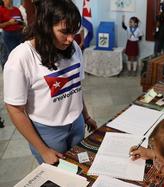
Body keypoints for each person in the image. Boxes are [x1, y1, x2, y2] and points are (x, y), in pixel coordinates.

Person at [3, 0, 97, 165]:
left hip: (76, 123)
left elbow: (75, 86)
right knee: (57, 177)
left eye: (74, 32)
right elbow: (14, 109)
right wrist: (43, 150)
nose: (70, 39)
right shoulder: (21, 57)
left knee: (78, 168)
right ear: (45, 26)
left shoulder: (73, 47)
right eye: (64, 32)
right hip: (47, 132)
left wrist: (86, 116)